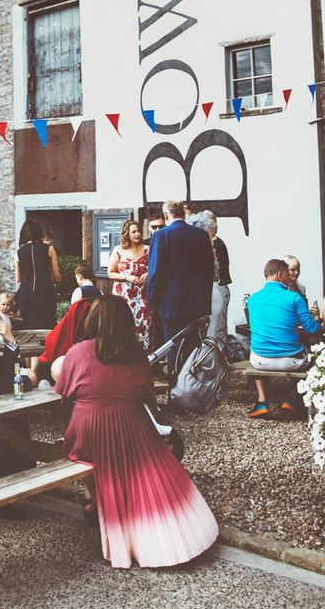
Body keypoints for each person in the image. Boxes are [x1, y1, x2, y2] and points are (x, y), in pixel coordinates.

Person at [55, 294, 218, 568]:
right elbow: (148, 397)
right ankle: (150, 529)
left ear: (92, 320)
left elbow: (63, 392)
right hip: (131, 423)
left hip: (88, 428)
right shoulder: (136, 355)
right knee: (147, 465)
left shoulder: (77, 352)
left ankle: (95, 504)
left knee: (93, 457)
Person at [246, 259, 320, 419]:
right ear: (280, 275)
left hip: (259, 360)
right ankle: (292, 399)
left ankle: (262, 402)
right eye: (287, 275)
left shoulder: (252, 300)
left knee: (257, 347)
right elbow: (312, 329)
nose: (289, 279)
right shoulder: (294, 298)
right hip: (290, 360)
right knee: (313, 357)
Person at [147, 201, 214, 371]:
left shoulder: (161, 236)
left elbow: (155, 272)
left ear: (167, 215)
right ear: (184, 214)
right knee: (193, 348)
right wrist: (206, 303)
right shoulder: (201, 235)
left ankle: (176, 388)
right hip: (196, 303)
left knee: (173, 348)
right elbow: (208, 270)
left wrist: (153, 300)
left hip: (171, 304)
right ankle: (193, 386)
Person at [107, 219, 152, 350]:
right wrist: (126, 277)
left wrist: (148, 274)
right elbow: (111, 273)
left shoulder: (148, 250)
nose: (137, 234)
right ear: (127, 233)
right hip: (123, 298)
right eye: (134, 232)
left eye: (139, 231)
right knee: (122, 327)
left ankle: (145, 359)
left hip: (142, 297)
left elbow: (156, 268)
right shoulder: (118, 250)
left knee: (144, 328)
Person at [189, 211, 232, 343]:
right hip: (210, 292)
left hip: (212, 291)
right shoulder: (205, 247)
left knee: (213, 333)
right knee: (212, 333)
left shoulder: (212, 246)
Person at [15, 218, 61, 329]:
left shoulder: (18, 253)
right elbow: (57, 277)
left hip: (26, 293)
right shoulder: (49, 249)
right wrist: (55, 285)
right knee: (47, 327)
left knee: (28, 327)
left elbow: (19, 279)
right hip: (45, 291)